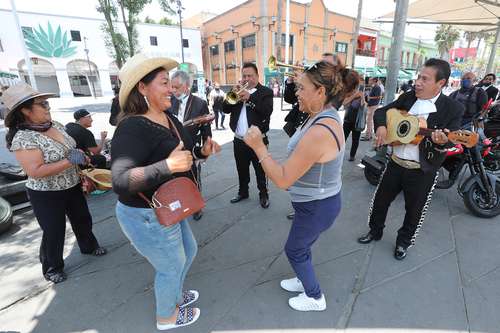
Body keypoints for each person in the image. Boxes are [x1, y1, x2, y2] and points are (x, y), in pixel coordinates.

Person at [111, 53, 220, 330]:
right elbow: (120, 181)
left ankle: (174, 296)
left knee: (189, 251)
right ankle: (166, 318)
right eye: (163, 83)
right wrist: (167, 166)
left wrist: (200, 153)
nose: (171, 88)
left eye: (170, 83)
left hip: (169, 206)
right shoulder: (131, 127)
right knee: (170, 266)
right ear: (142, 88)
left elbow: (181, 154)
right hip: (145, 214)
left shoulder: (169, 117)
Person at [243, 61, 354, 311]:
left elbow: (283, 179)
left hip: (317, 206)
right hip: (316, 204)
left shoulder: (321, 130)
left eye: (302, 88)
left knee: (294, 249)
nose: (296, 92)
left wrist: (259, 147)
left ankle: (315, 297)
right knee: (303, 245)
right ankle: (304, 278)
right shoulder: (322, 115)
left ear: (321, 92)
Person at [357, 58, 464, 260]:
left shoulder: (452, 108)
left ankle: (403, 242)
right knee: (380, 201)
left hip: (423, 170)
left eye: (425, 79)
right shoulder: (408, 97)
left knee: (414, 210)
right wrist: (381, 126)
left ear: (440, 83)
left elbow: (452, 140)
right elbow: (382, 111)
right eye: (418, 77)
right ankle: (375, 231)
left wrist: (442, 141)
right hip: (395, 163)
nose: (418, 83)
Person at [3, 83, 107, 284]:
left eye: (47, 103)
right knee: (54, 230)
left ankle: (89, 246)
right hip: (46, 193)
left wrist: (82, 158)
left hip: (72, 184)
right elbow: (35, 171)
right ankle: (52, 267)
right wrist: (70, 161)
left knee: (82, 218)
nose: (47, 107)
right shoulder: (23, 138)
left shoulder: (56, 125)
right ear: (25, 110)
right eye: (42, 104)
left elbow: (72, 149)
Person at [222, 62, 273, 209]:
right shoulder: (237, 91)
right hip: (239, 140)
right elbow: (225, 109)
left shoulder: (266, 92)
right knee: (241, 168)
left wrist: (249, 98)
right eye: (244, 76)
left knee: (261, 170)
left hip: (258, 140)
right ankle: (243, 192)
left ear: (257, 76)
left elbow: (266, 111)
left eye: (250, 76)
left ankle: (263, 194)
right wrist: (232, 96)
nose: (247, 79)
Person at [169, 70, 212, 221]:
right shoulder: (169, 102)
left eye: (177, 87)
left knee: (194, 179)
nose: (173, 90)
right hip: (172, 151)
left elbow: (206, 129)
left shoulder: (200, 103)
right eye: (171, 87)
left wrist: (206, 150)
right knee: (175, 181)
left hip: (192, 149)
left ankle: (196, 206)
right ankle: (180, 205)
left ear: (187, 86)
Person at [342, 70, 365, 162]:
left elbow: (363, 106)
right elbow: (344, 104)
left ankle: (352, 155)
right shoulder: (349, 92)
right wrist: (354, 96)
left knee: (355, 140)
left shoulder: (362, 93)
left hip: (357, 121)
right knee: (343, 138)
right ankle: (338, 154)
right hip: (348, 120)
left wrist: (362, 97)